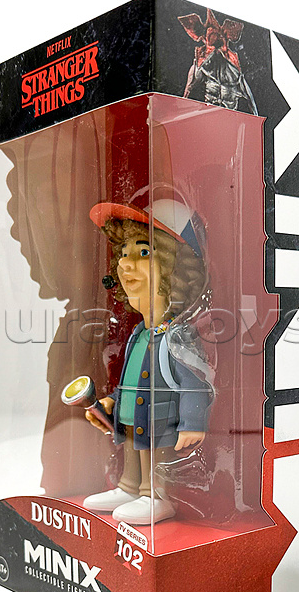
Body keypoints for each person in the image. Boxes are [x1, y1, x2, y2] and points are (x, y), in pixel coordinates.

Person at [83, 194, 213, 524]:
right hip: (133, 418)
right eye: (123, 253)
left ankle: (156, 496)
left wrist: (192, 423)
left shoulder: (178, 336)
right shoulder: (140, 334)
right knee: (132, 453)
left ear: (176, 269)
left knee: (153, 459)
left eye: (143, 253)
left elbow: (195, 382)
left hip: (159, 422)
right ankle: (130, 487)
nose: (125, 265)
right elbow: (131, 379)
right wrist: (113, 403)